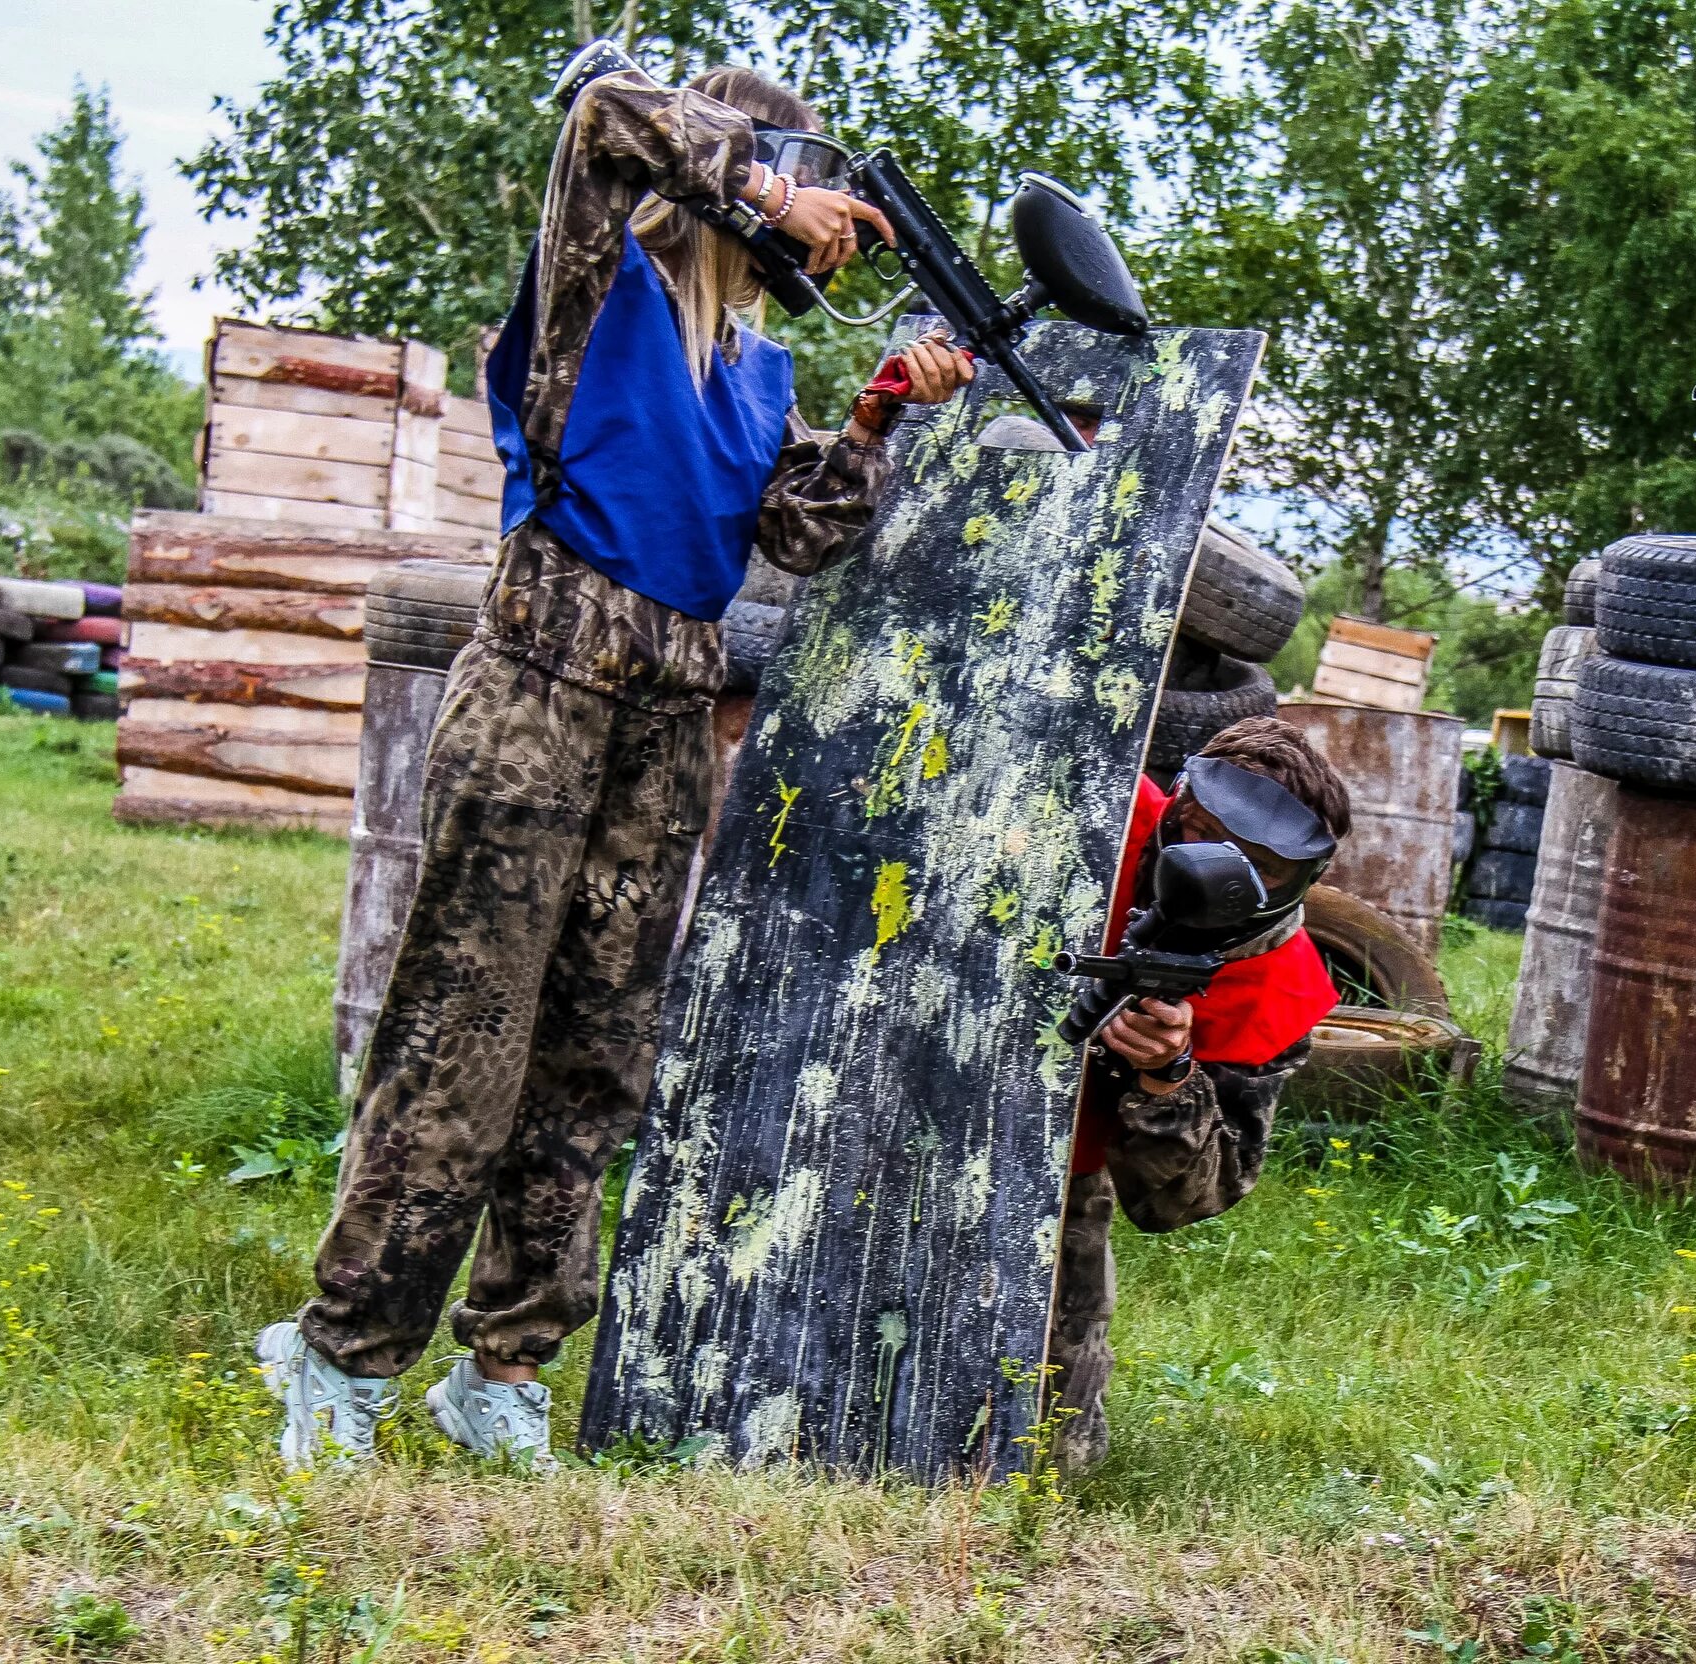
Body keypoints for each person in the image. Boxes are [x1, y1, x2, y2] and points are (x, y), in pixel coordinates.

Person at [255, 55, 974, 1472]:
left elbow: (797, 536)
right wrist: (762, 174)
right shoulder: (597, 283)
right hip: (535, 687)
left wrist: (885, 414)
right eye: (799, 183)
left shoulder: (756, 366)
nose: (814, 217)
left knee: (594, 1067)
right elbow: (599, 108)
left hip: (661, 726)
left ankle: (507, 1367)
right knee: (463, 1038)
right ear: (739, 174)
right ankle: (345, 1358)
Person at [1048, 716, 1352, 1473]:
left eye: (1258, 865)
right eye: (1200, 833)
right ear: (1175, 804)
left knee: (1046, 1462)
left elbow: (1186, 1199)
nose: (1214, 871)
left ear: (1298, 880)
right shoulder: (1086, 807)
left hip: (1060, 1189)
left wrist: (1167, 1076)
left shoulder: (1281, 988)